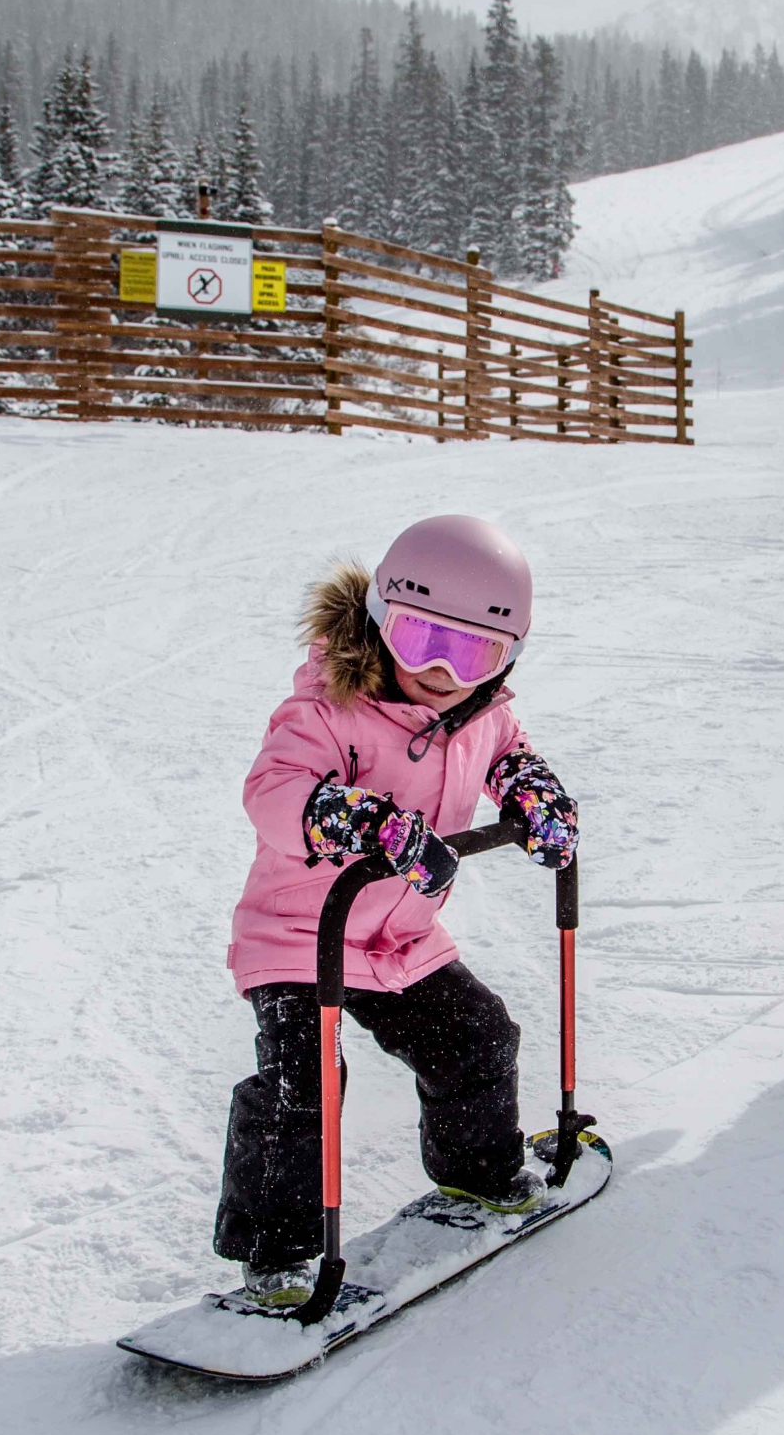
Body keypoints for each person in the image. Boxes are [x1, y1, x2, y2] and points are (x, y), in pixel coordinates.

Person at [213, 515, 579, 1308]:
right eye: (421, 641)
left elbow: (509, 750)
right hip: (300, 936)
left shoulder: (482, 714)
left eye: (474, 652)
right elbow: (272, 790)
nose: (445, 671)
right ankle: (275, 1254)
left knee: (478, 1036)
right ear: (380, 621)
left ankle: (479, 1174)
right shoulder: (326, 708)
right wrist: (358, 818)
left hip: (399, 935)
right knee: (302, 1086)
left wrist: (532, 792)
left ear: (507, 657)